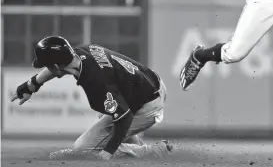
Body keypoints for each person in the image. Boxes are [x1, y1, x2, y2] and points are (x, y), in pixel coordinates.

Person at [11, 36, 172, 160]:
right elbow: (57, 66)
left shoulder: (96, 82)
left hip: (147, 105)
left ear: (55, 66)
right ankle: (134, 145)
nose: (48, 69)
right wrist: (32, 84)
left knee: (83, 150)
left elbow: (124, 116)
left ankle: (152, 152)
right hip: (149, 84)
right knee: (107, 110)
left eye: (48, 65)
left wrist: (109, 151)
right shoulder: (80, 53)